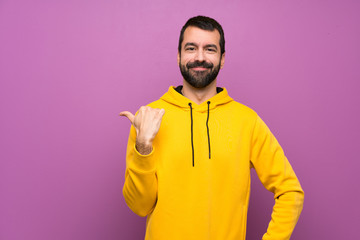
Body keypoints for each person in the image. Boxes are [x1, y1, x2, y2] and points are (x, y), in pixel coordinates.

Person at [120, 15, 304, 240]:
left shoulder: (247, 120)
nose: (200, 57)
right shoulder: (148, 118)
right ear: (178, 55)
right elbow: (139, 206)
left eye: (209, 49)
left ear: (222, 58)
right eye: (191, 48)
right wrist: (143, 145)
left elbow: (290, 191)